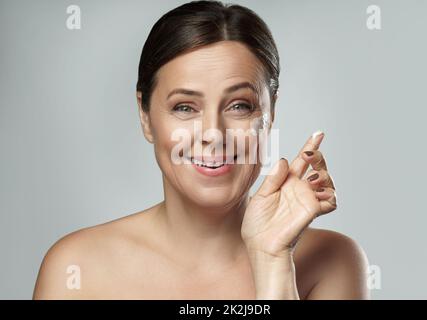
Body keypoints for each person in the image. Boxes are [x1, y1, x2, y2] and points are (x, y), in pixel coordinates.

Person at [33, 0, 369, 300]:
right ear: (146, 116)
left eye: (239, 106)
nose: (213, 134)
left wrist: (272, 261)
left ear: (271, 114)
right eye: (184, 107)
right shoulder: (76, 268)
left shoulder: (333, 261)